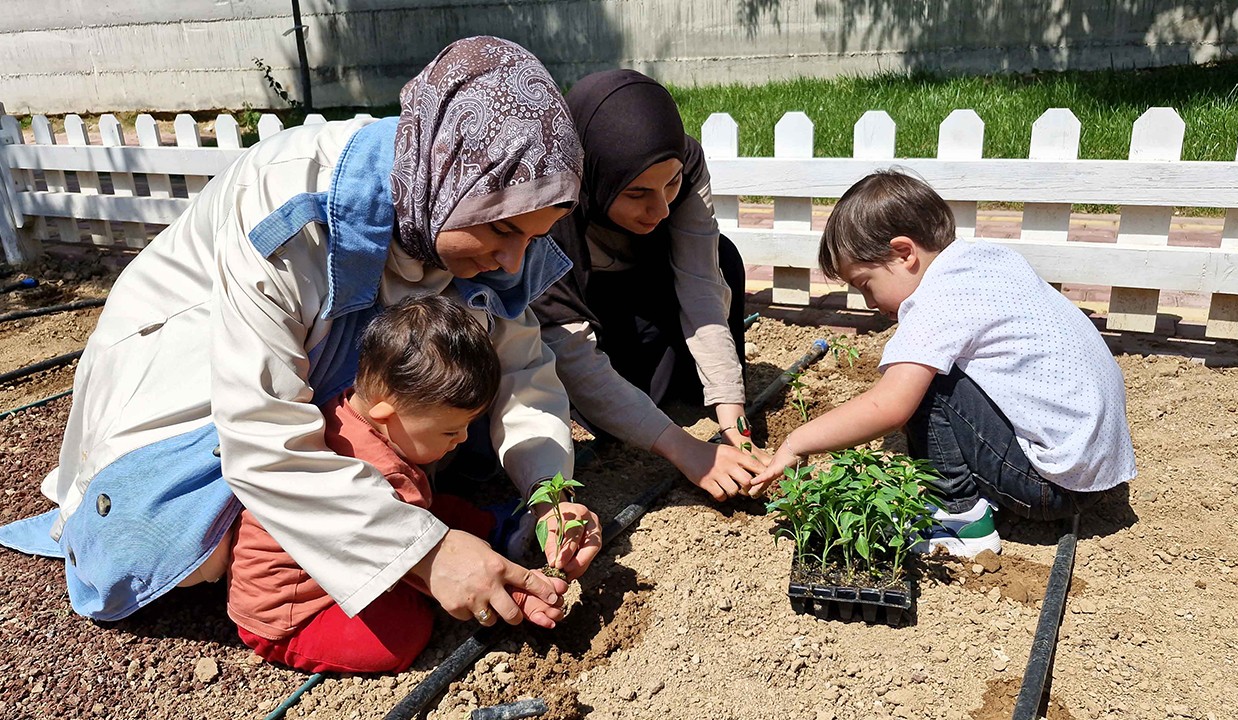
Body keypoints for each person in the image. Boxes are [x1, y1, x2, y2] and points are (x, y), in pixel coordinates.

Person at [0, 36, 601, 631]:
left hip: (322, 369)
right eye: (502, 233)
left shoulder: (468, 210)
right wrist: (426, 554)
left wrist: (548, 491)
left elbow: (521, 372)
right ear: (444, 182)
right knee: (191, 555)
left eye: (533, 237)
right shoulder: (289, 208)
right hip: (190, 365)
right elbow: (261, 429)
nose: (516, 263)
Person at [751, 170, 1136, 557]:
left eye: (865, 284)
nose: (868, 303)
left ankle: (960, 519)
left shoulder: (939, 300)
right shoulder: (987, 261)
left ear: (905, 253)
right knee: (939, 372)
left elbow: (888, 407)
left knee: (927, 384)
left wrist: (796, 442)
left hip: (1052, 486)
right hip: (1099, 470)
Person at [229, 294, 554, 673]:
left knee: (440, 513)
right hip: (291, 613)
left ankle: (494, 529)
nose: (463, 439)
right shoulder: (389, 477)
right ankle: (491, 542)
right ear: (386, 413)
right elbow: (421, 562)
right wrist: (505, 592)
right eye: (451, 429)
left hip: (343, 559)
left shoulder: (341, 409)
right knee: (402, 637)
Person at [532, 69, 768, 502]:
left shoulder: (681, 158)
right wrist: (685, 450)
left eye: (671, 184)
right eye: (637, 192)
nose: (660, 208)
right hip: (594, 303)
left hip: (649, 281)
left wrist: (732, 412)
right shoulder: (549, 211)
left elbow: (701, 286)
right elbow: (575, 356)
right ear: (594, 178)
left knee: (725, 257)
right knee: (629, 410)